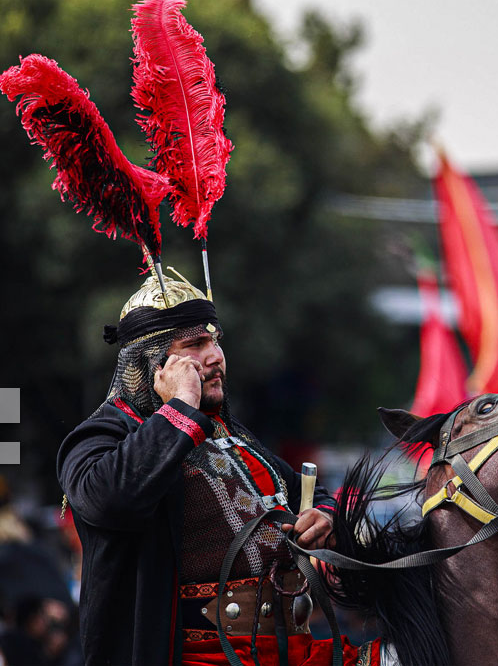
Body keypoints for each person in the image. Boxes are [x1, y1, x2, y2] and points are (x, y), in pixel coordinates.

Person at [58, 274, 343, 666]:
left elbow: (308, 493)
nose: (215, 356)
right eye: (195, 344)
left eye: (215, 340)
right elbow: (108, 500)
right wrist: (180, 406)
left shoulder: (231, 432)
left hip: (287, 650)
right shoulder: (101, 435)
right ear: (154, 364)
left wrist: (323, 516)